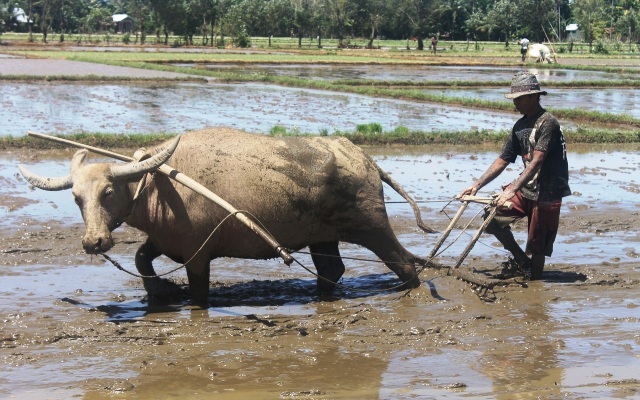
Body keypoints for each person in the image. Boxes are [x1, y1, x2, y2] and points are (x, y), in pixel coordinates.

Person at [458, 72, 570, 280]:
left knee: (537, 242)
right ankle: (520, 259)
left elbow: (537, 160)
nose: (515, 104)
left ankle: (535, 283)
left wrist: (511, 190)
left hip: (548, 190)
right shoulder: (520, 126)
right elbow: (503, 159)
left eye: (519, 99)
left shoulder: (548, 123)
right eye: (514, 99)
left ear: (533, 97)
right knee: (491, 219)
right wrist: (477, 185)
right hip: (527, 187)